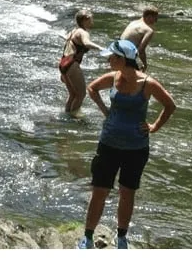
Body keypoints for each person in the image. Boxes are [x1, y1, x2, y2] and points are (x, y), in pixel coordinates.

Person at [77, 39, 176, 250]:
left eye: (112, 57)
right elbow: (92, 88)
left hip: (136, 149)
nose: (109, 60)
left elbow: (170, 105)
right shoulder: (113, 78)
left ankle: (121, 238)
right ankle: (87, 237)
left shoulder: (148, 84)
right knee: (99, 191)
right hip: (108, 144)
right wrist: (106, 111)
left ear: (124, 60)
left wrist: (154, 126)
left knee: (127, 192)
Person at [59, 8, 102, 116]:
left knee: (73, 94)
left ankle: (67, 115)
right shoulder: (83, 32)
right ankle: (72, 118)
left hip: (63, 64)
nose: (93, 21)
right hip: (72, 64)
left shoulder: (74, 31)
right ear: (85, 20)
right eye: (91, 19)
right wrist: (102, 48)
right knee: (81, 95)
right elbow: (87, 43)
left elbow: (67, 39)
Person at [120, 6, 159, 71]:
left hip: (115, 50)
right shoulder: (149, 30)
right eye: (155, 18)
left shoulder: (133, 22)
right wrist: (145, 64)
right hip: (124, 55)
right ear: (149, 17)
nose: (156, 21)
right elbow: (141, 50)